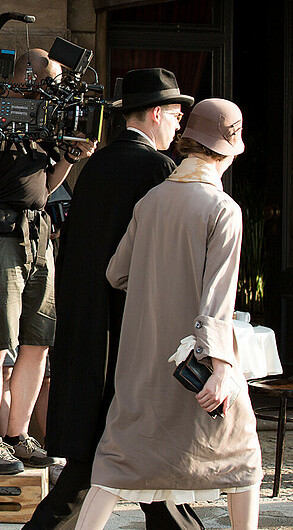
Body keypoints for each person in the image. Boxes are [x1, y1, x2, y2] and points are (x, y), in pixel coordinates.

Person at [74, 98, 261, 530]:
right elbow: (218, 298)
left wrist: (155, 288)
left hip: (141, 364)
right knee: (242, 462)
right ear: (230, 148)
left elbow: (116, 273)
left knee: (116, 466)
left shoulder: (152, 201)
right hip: (197, 368)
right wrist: (220, 369)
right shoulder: (222, 209)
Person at [26, 68, 199, 530]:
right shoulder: (159, 170)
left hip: (87, 324)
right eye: (176, 116)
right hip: (129, 332)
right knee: (117, 453)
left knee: (108, 458)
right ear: (157, 113)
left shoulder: (96, 165)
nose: (179, 127)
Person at [0, 49, 95, 475]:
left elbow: (45, 191)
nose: (55, 93)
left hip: (37, 235)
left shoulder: (45, 124)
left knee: (38, 342)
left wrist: (68, 158)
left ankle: (17, 433)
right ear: (27, 76)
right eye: (51, 82)